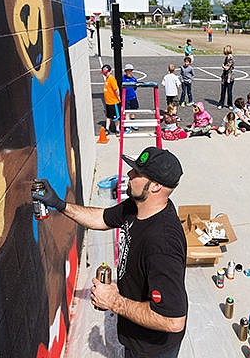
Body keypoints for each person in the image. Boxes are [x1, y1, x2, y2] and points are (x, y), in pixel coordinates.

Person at [34, 147, 188, 358]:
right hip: (134, 335)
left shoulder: (162, 243)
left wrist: (114, 301)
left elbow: (173, 320)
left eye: (136, 173)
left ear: (155, 186)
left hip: (152, 349)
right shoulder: (136, 208)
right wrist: (59, 205)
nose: (129, 175)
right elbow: (102, 218)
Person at [101, 64, 120, 135]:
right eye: (104, 73)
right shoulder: (107, 79)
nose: (105, 74)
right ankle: (107, 128)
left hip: (113, 102)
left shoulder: (112, 79)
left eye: (106, 73)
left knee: (115, 118)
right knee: (108, 116)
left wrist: (118, 97)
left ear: (110, 71)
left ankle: (117, 129)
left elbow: (116, 89)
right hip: (108, 102)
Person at [122, 64, 139, 133]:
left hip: (133, 97)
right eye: (128, 71)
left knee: (133, 110)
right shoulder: (123, 78)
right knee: (127, 112)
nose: (129, 72)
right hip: (126, 98)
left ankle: (133, 123)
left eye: (130, 71)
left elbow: (135, 88)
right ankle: (128, 127)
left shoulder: (134, 79)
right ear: (125, 71)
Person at [217, 45, 235, 109]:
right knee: (223, 91)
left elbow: (227, 68)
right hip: (224, 77)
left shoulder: (231, 59)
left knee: (229, 92)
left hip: (229, 78)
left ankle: (230, 104)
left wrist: (223, 66)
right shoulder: (226, 58)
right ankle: (221, 103)